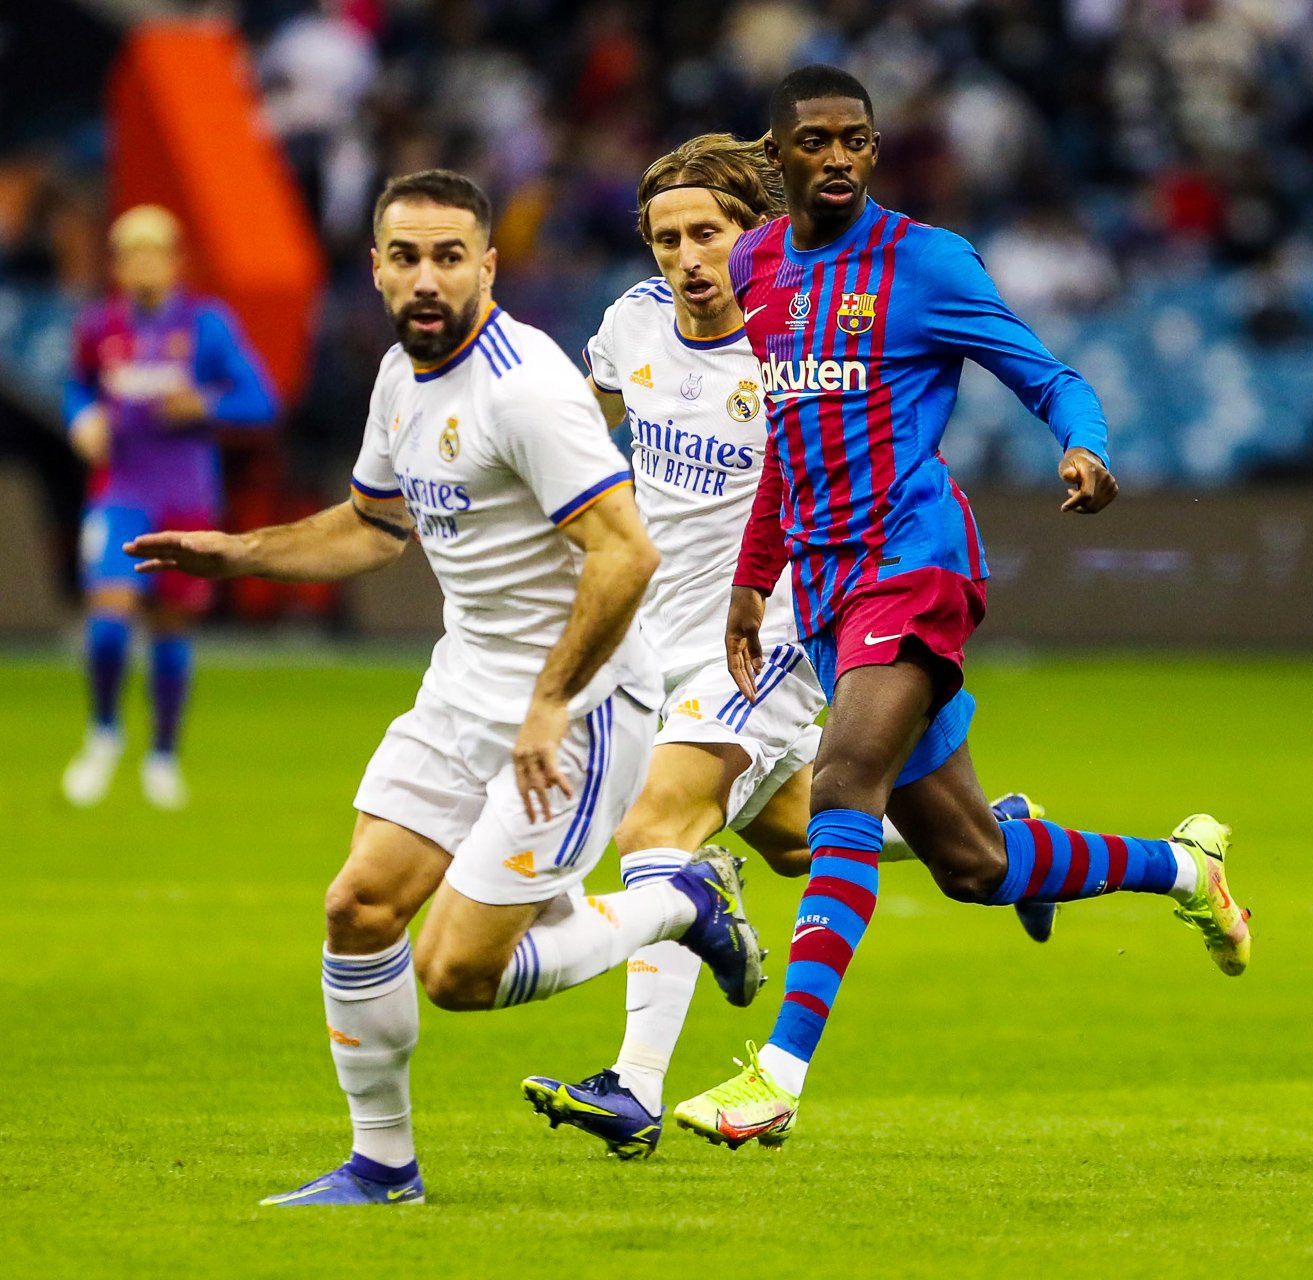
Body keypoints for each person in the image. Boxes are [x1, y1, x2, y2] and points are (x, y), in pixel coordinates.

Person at [126, 170, 764, 1207]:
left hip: (580, 710)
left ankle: (676, 900)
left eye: (449, 256)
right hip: (461, 691)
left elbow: (624, 553)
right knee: (358, 905)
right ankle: (382, 1167)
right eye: (407, 256)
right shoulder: (398, 375)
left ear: (487, 266)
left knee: (458, 972)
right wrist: (237, 552)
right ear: (376, 267)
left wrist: (552, 701)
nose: (428, 278)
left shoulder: (526, 387)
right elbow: (375, 523)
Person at [669, 66, 1253, 1151]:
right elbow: (784, 447)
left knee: (841, 779)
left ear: (874, 151)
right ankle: (1185, 866)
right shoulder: (756, 266)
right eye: (815, 143)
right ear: (780, 156)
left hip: (917, 561)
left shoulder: (924, 263)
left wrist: (1086, 443)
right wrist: (752, 579)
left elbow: (1049, 374)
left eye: (856, 140)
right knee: (976, 863)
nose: (837, 159)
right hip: (829, 586)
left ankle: (776, 1074)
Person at [516, 133, 1052, 1162]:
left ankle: (631, 1086)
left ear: (753, 233)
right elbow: (589, 440)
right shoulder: (628, 324)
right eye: (666, 237)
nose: (687, 256)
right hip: (650, 636)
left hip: (764, 634)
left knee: (658, 823)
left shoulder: (796, 350)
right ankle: (1000, 835)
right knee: (795, 838)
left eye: (707, 232)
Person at [61, 204, 278, 810]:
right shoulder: (100, 327)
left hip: (186, 495)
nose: (142, 265)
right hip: (121, 490)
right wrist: (81, 419)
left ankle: (162, 754)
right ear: (118, 265)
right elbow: (77, 385)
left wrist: (205, 406)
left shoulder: (206, 326)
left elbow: (261, 401)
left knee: (171, 628)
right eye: (130, 254)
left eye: (153, 252)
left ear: (175, 260)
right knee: (108, 618)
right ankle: (104, 732)